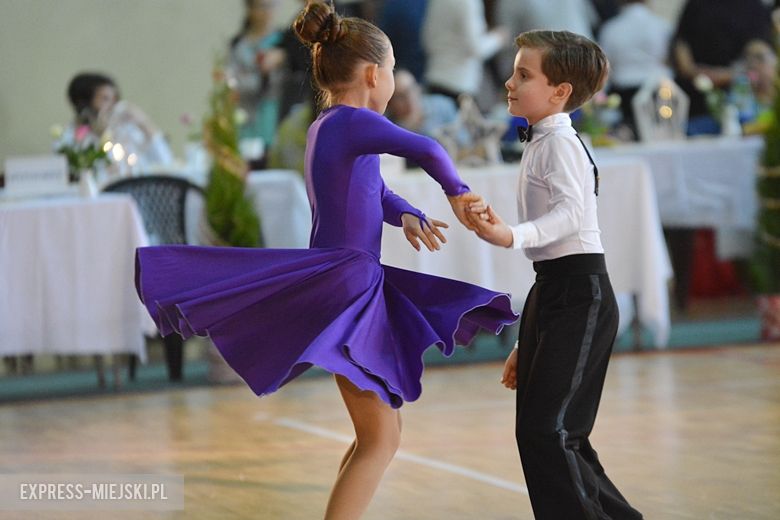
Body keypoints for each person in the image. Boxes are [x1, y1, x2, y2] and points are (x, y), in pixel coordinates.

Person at [135, 2, 517, 519]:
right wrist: (458, 193)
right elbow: (427, 147)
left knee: (380, 434)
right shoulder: (354, 122)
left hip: (350, 278)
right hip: (348, 284)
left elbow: (371, 188)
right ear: (373, 74)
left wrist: (403, 212)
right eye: (394, 69)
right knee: (379, 438)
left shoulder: (330, 125)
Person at [469, 30, 643, 519]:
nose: (509, 82)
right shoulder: (544, 141)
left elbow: (572, 215)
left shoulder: (560, 143)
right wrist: (530, 342)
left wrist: (510, 235)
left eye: (524, 74)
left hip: (581, 294)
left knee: (551, 432)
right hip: (554, 291)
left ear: (560, 92)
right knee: (549, 432)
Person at [62, 72, 173, 174]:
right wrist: (103, 137)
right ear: (85, 103)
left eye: (115, 99)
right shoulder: (72, 139)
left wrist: (145, 125)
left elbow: (166, 164)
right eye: (105, 99)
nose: (112, 105)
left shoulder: (128, 130)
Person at [598, 0, 672, 138]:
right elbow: (666, 58)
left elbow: (606, 64)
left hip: (623, 92)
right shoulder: (661, 25)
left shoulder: (610, 28)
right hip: (657, 92)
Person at [421, 0, 508, 103]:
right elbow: (475, 48)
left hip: (434, 80)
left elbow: (426, 39)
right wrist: (498, 38)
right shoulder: (468, 2)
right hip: (460, 85)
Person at [229, 0, 285, 151]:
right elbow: (233, 81)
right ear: (250, 8)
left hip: (275, 119)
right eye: (261, 6)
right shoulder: (238, 45)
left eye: (271, 5)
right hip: (245, 120)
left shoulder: (284, 43)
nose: (267, 12)